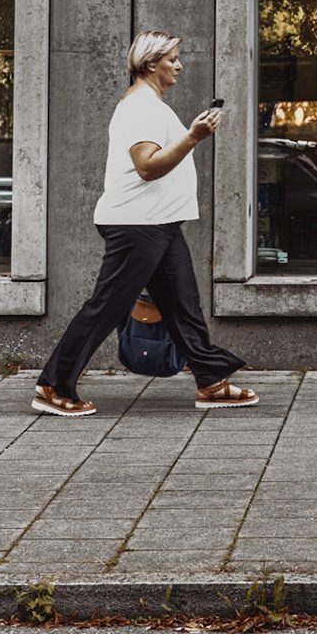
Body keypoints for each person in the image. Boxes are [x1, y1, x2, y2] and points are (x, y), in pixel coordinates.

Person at [33, 31, 256, 416]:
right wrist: (193, 137)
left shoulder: (150, 104)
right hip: (137, 225)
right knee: (106, 306)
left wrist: (189, 135)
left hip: (159, 223)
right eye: (172, 58)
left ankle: (211, 383)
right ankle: (53, 386)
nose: (180, 65)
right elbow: (147, 167)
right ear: (151, 63)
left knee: (183, 305)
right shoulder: (141, 107)